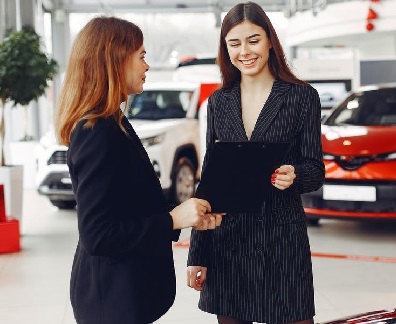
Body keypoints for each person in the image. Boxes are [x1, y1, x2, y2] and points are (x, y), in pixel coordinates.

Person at [55, 16, 223, 324]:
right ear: (114, 58)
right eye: (142, 56)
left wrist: (185, 215)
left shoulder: (114, 122)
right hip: (111, 302)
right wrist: (172, 219)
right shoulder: (97, 132)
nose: (147, 66)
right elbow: (98, 234)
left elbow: (127, 205)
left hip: (125, 294)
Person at [186, 2, 325, 324]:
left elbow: (315, 169)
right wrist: (198, 255)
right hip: (229, 242)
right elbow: (210, 181)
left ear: (270, 41)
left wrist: (296, 175)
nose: (244, 51)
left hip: (282, 243)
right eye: (234, 43)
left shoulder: (301, 97)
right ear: (225, 48)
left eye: (253, 40)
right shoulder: (219, 103)